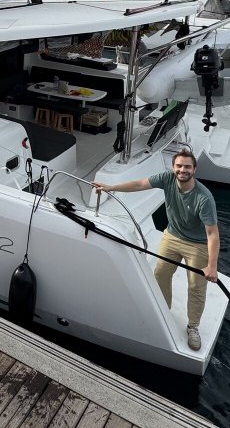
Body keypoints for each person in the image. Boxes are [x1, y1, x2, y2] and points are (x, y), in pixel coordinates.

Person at [93, 149, 219, 351]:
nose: (182, 170)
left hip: (197, 244)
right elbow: (139, 184)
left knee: (196, 286)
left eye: (187, 166)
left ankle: (193, 327)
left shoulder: (204, 198)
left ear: (195, 169)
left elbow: (212, 234)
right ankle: (163, 312)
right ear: (173, 168)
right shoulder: (166, 179)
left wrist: (212, 267)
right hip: (172, 236)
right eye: (179, 166)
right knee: (160, 274)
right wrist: (111, 187)